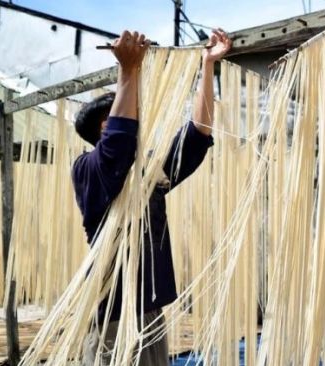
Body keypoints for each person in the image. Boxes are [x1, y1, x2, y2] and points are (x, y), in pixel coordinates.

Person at [72, 29, 231, 365]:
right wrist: (127, 71)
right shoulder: (88, 169)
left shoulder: (149, 175)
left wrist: (207, 65)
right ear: (103, 128)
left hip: (148, 309)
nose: (141, 118)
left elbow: (197, 135)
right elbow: (118, 144)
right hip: (111, 315)